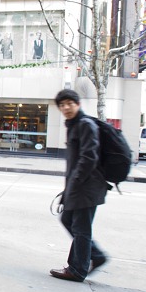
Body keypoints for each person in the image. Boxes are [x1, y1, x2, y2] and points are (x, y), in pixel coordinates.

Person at [50, 89, 109, 282]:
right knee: (68, 220)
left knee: (81, 227)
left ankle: (78, 269)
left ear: (78, 104)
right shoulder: (74, 125)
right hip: (79, 186)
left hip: (87, 187)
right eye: (62, 105)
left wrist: (74, 184)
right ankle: (95, 256)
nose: (65, 107)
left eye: (69, 103)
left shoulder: (85, 124)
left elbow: (88, 157)